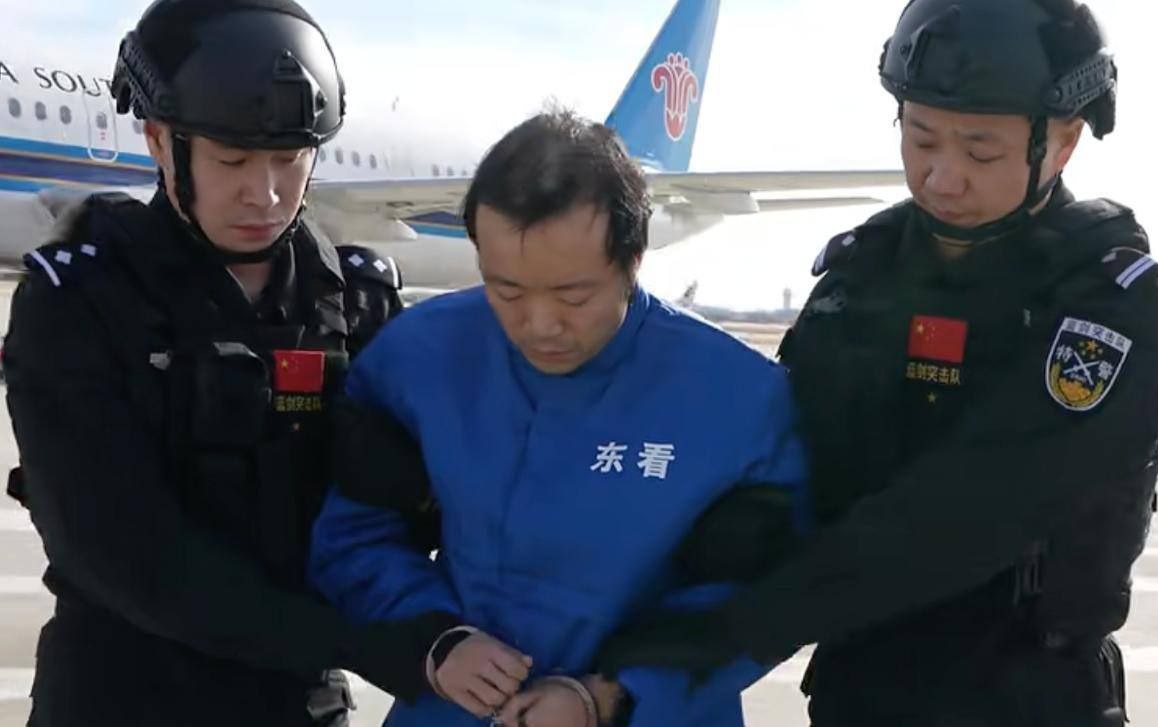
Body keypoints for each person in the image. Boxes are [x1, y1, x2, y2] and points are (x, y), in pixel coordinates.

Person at [596, 1, 1158, 725]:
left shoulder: (1108, 312)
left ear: (1062, 142)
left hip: (1025, 695)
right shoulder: (864, 274)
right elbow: (775, 454)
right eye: (920, 138)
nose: (941, 178)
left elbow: (967, 512)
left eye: (980, 153)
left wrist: (737, 628)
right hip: (861, 685)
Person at [3, 1, 447, 725]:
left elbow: (428, 514)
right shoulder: (80, 301)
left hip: (298, 701)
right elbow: (124, 553)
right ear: (158, 141)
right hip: (121, 697)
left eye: (289, 159)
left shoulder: (355, 301)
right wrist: (363, 642)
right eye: (232, 161)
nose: (264, 194)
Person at [306, 108, 809, 727]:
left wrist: (611, 695)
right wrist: (435, 642)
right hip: (452, 708)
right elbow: (356, 534)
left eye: (574, 296)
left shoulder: (739, 399)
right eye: (507, 292)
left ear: (634, 258)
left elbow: (765, 598)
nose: (540, 325)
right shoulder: (419, 358)